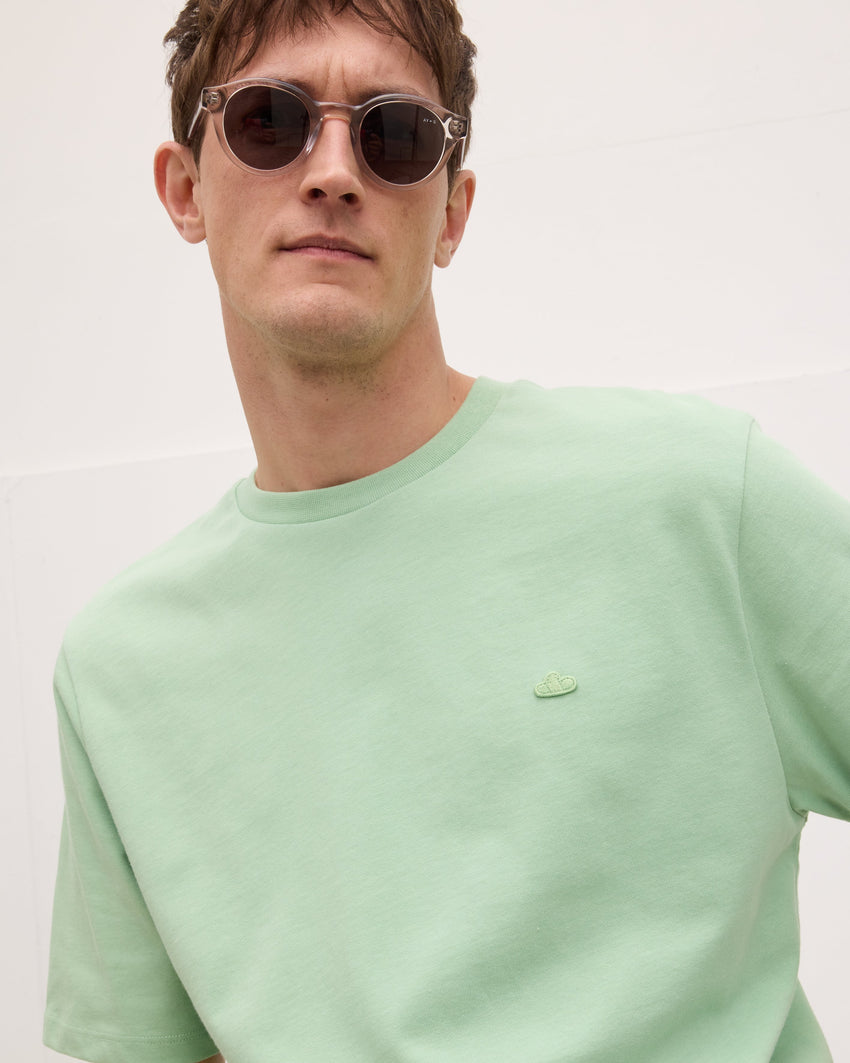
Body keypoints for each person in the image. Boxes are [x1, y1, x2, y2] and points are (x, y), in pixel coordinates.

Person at [43, 1, 849, 1061]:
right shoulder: (121, 667)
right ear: (184, 189)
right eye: (269, 121)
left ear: (452, 213)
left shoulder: (696, 498)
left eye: (394, 134)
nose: (334, 171)